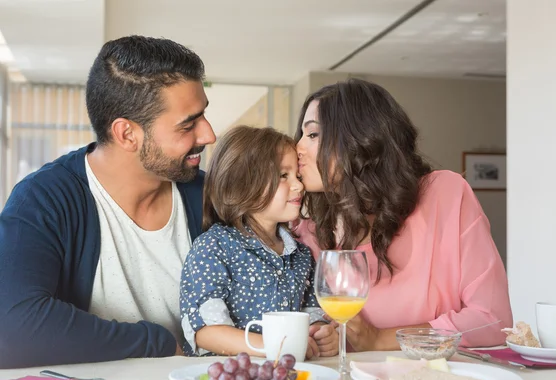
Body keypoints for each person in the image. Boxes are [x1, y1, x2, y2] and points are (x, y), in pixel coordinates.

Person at [0, 35, 216, 368]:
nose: (208, 135)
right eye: (188, 124)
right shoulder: (44, 199)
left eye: (202, 116)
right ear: (127, 133)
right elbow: (13, 329)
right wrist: (155, 342)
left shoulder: (211, 197)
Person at [294, 78, 513, 350]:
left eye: (313, 135)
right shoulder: (306, 232)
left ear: (358, 139)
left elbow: (491, 321)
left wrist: (379, 339)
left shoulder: (444, 196)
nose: (298, 148)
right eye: (302, 135)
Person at [180, 126, 337, 358]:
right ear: (242, 184)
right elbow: (206, 332)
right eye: (284, 176)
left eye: (298, 176)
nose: (299, 186)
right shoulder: (214, 247)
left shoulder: (301, 255)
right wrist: (274, 347)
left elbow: (312, 314)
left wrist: (322, 334)